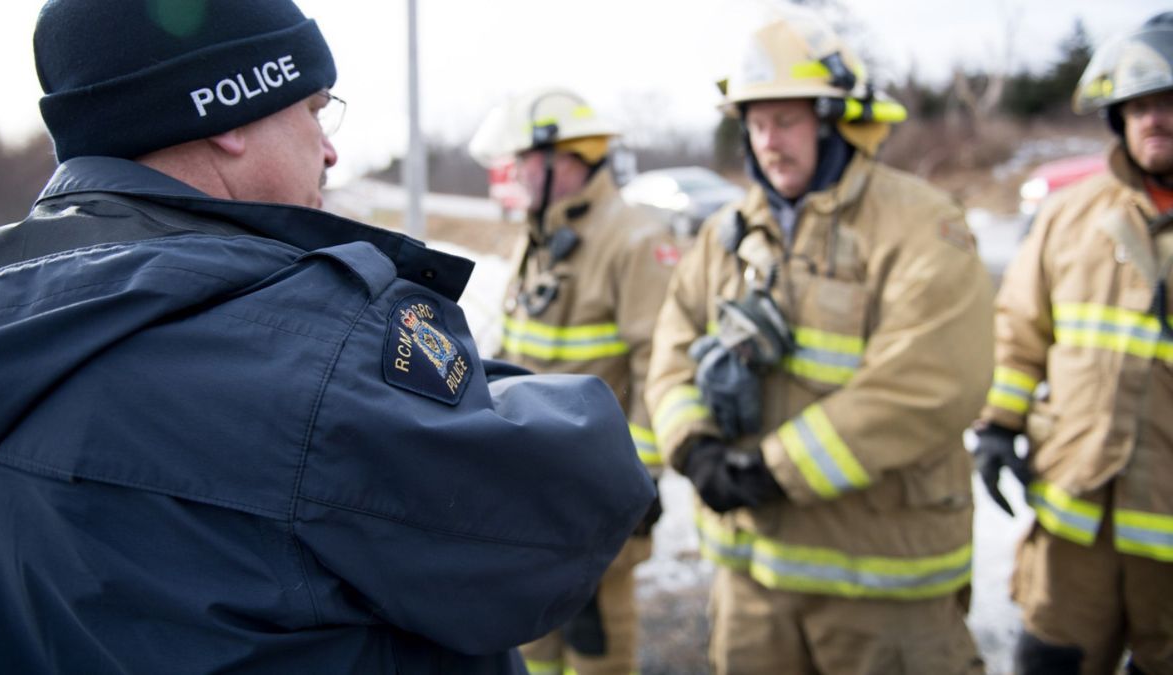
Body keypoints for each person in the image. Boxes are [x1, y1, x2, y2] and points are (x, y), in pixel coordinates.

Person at [0, 2, 656, 673]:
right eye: (313, 109)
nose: (329, 147)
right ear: (228, 115)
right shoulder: (304, 345)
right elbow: (567, 498)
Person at [645, 7, 994, 674]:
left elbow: (930, 380)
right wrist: (693, 444)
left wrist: (772, 469)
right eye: (756, 121)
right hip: (752, 586)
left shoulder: (921, 225)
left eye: (788, 119)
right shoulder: (726, 234)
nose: (770, 141)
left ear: (834, 121)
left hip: (885, 588)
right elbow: (672, 346)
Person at [973, 13, 1173, 675]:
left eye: (1170, 103)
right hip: (1073, 514)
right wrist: (1000, 425)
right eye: (1139, 105)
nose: (1154, 120)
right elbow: (1019, 330)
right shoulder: (1071, 215)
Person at [468, 88, 679, 675]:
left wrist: (641, 479)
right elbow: (513, 354)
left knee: (597, 648)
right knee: (533, 648)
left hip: (601, 497)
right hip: (535, 495)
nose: (515, 177)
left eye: (523, 163)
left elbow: (657, 366)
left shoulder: (634, 239)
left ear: (564, 161)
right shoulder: (540, 239)